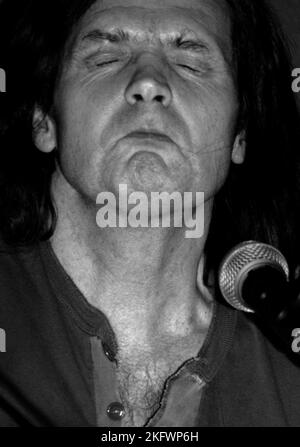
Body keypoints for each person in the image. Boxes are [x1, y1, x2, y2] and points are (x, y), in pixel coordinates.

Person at [0, 0, 300, 427]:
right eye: (106, 57)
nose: (148, 83)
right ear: (44, 119)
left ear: (240, 133)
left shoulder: (287, 374)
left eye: (190, 63)